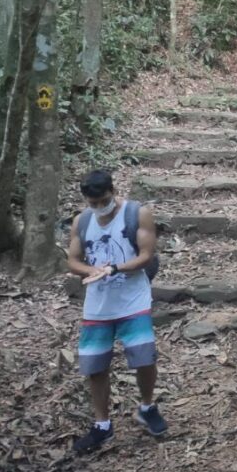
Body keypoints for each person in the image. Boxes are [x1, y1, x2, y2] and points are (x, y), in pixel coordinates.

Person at [66, 170, 167, 454]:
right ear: (86, 200)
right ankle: (102, 425)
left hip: (133, 299)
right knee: (95, 366)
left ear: (113, 191)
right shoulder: (82, 221)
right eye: (93, 202)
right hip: (97, 305)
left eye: (104, 201)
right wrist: (92, 271)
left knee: (144, 356)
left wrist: (115, 268)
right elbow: (73, 260)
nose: (99, 207)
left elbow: (146, 254)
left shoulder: (137, 213)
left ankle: (147, 407)